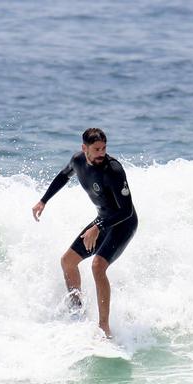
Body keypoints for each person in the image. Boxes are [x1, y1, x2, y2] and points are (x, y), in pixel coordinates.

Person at [32, 128, 137, 338]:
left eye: (104, 148)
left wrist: (97, 228)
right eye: (96, 149)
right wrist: (43, 200)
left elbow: (125, 210)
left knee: (98, 266)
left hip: (123, 223)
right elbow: (63, 176)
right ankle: (77, 313)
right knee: (67, 262)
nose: (101, 153)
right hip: (102, 221)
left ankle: (104, 328)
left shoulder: (113, 170)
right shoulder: (78, 161)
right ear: (84, 149)